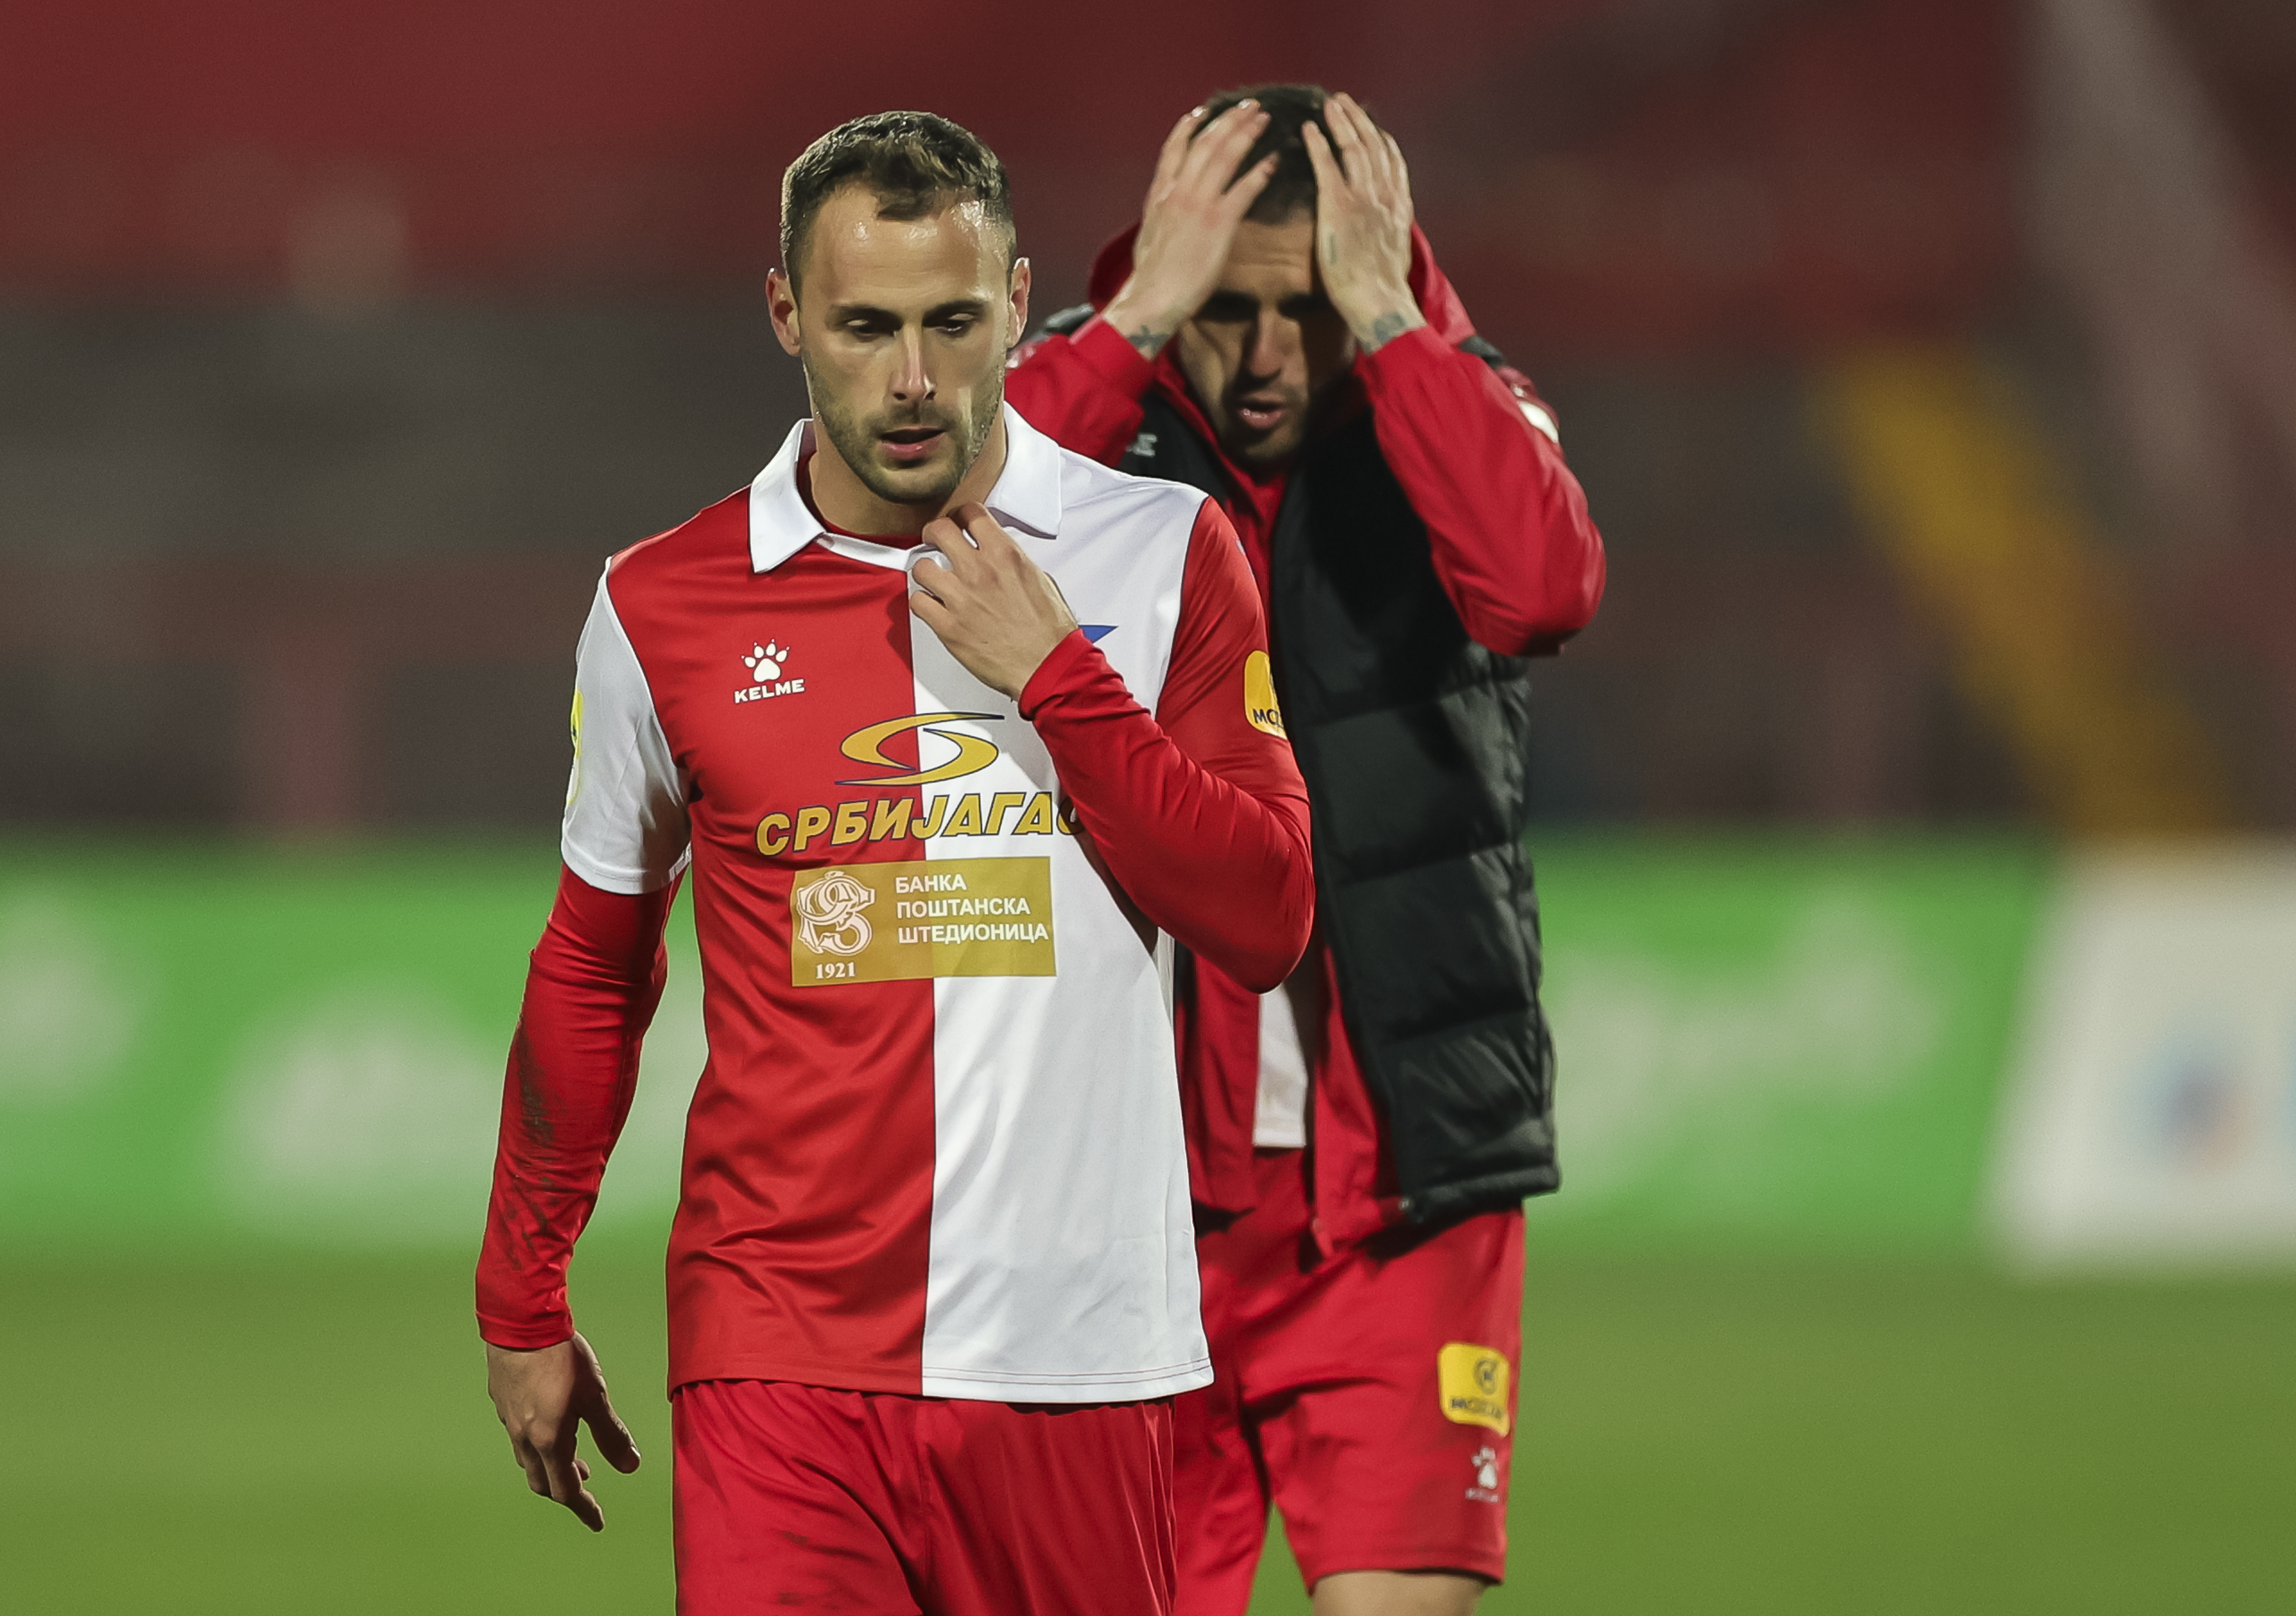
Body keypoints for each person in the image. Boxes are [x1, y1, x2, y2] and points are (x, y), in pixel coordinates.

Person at [473, 110, 1316, 1616]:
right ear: (788, 313)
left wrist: (1060, 677)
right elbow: (596, 960)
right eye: (865, 326)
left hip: (1083, 1361)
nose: (914, 378)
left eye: (952, 321)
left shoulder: (1161, 550)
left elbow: (1265, 915)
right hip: (777, 1363)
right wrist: (522, 1290)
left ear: (1017, 299)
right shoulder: (663, 602)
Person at [1006, 86, 1607, 1615]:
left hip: (1398, 1185)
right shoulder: (1092, 418)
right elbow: (923, 559)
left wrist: (1394, 326)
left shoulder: (1452, 400)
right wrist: (1133, 321)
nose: (1267, 356)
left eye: (1305, 309)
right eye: (1224, 309)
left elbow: (1540, 587)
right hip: (1126, 1199)